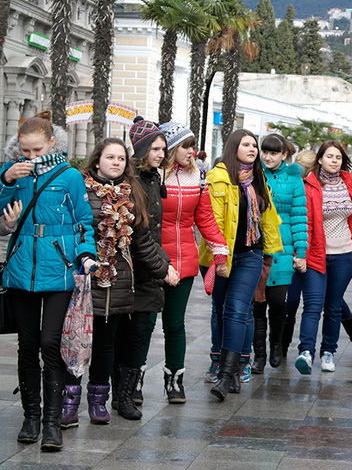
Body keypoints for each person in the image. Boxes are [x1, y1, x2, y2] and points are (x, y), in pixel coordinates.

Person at [0, 111, 96, 452]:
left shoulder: (69, 176)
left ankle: (53, 424)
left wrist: (86, 254)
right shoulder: (12, 173)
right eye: (24, 151)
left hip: (59, 271)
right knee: (26, 347)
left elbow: (84, 221)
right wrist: (8, 181)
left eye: (36, 150)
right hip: (21, 271)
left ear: (51, 143)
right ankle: (31, 418)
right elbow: (1, 214)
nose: (30, 158)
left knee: (49, 343)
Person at [60, 139, 172, 428]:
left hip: (118, 285)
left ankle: (98, 401)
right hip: (85, 280)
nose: (116, 163)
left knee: (106, 345)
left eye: (121, 158)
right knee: (77, 342)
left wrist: (164, 269)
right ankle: (69, 402)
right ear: (97, 160)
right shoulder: (81, 188)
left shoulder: (131, 193)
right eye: (110, 157)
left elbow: (143, 240)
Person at [199, 129, 283, 401]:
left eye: (254, 145)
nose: (252, 149)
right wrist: (220, 256)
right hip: (220, 255)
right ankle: (222, 362)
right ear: (233, 147)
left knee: (237, 310)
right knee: (221, 309)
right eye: (246, 144)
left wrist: (270, 253)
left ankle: (228, 373)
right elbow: (212, 221)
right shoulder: (217, 178)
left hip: (250, 255)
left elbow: (268, 220)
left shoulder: (259, 181)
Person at [158, 122, 229, 403]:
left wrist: (219, 253)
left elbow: (206, 218)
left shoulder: (198, 176)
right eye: (186, 146)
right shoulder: (152, 176)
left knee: (174, 324)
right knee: (142, 324)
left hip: (184, 260)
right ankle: (133, 384)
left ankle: (175, 381)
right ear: (172, 148)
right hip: (151, 261)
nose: (193, 151)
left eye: (193, 145)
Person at [294, 140, 352, 375]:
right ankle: (306, 352)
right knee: (312, 305)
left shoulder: (348, 184)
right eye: (329, 156)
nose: (334, 161)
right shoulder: (308, 185)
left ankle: (328, 351)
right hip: (316, 255)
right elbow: (304, 222)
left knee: (332, 306)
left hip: (344, 257)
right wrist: (301, 254)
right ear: (320, 159)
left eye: (338, 157)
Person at [118, 118, 180, 408]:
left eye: (163, 148)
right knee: (130, 334)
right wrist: (163, 266)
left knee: (139, 331)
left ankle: (125, 394)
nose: (160, 154)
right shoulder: (134, 181)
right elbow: (140, 235)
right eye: (155, 148)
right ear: (142, 150)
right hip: (134, 269)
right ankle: (123, 394)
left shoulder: (153, 177)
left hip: (148, 267)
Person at [251, 133, 308, 372]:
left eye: (273, 153)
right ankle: (259, 355)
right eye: (265, 151)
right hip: (258, 246)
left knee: (277, 302)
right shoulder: (254, 175)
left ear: (284, 155)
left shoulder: (294, 181)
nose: (267, 157)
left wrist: (301, 251)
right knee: (256, 304)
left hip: (283, 250)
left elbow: (299, 217)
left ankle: (276, 345)